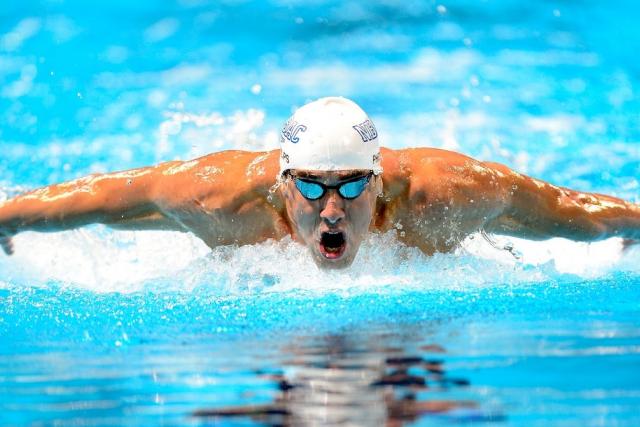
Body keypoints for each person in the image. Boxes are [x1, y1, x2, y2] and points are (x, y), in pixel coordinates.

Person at [0, 97, 638, 269]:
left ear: (380, 181)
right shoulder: (219, 195)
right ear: (281, 184)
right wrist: (10, 217)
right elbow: (101, 200)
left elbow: (564, 212)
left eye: (351, 187)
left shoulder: (446, 194)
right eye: (310, 186)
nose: (331, 209)